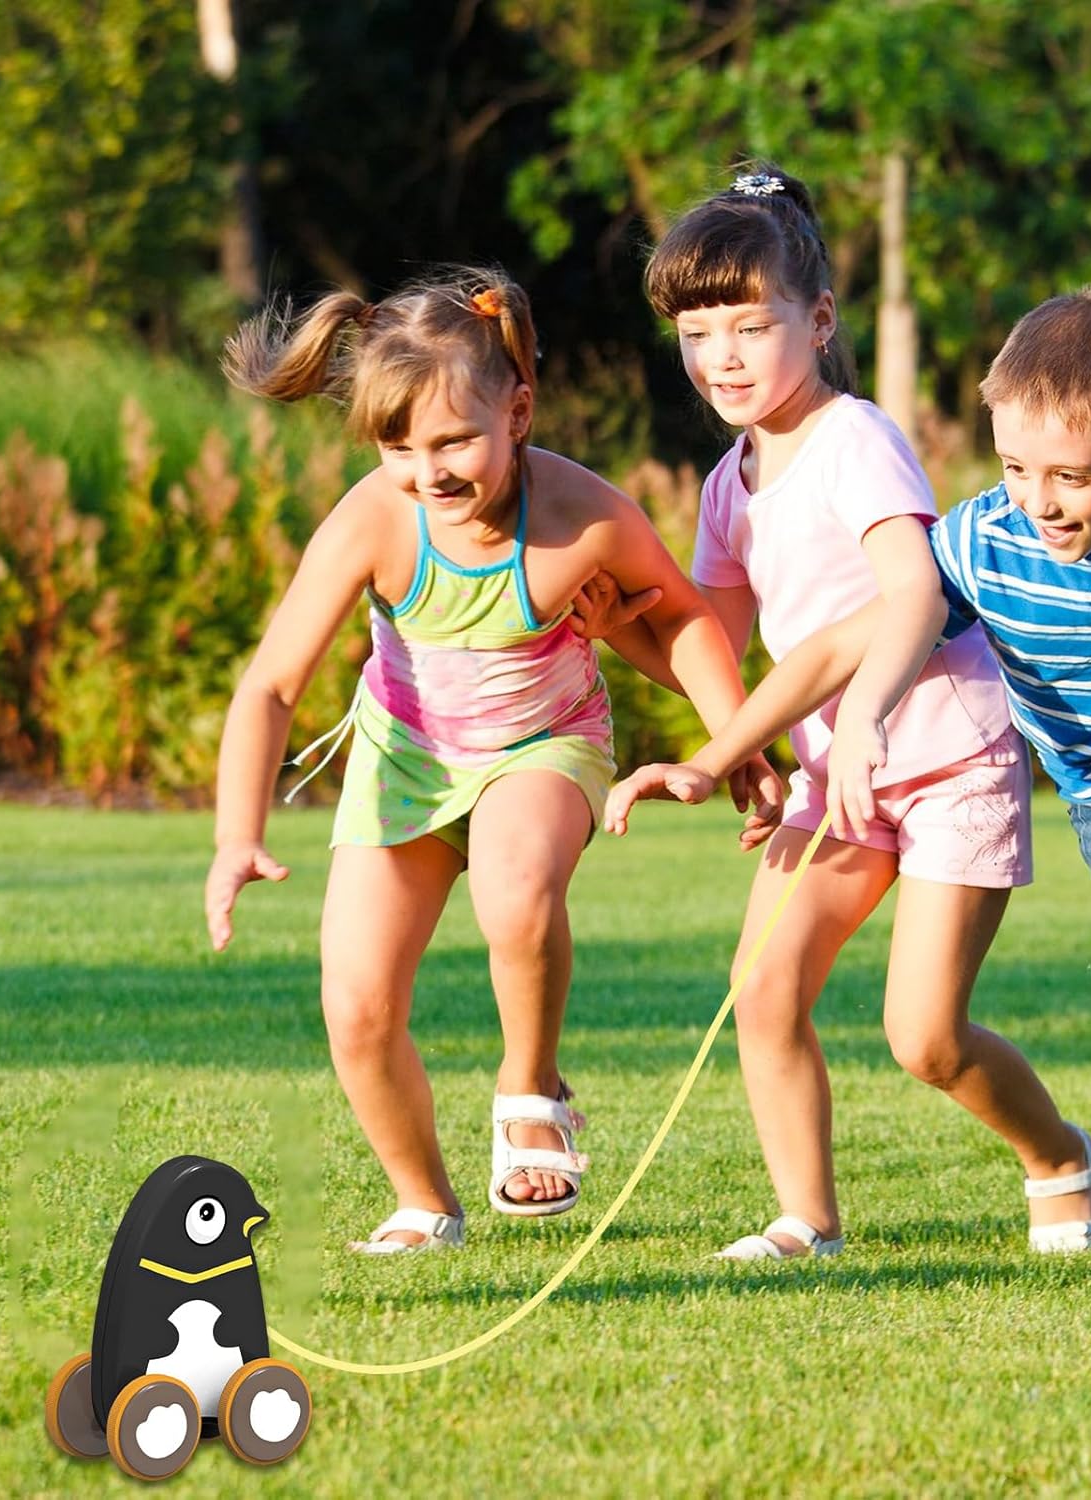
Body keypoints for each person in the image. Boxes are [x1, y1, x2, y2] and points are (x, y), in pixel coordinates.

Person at [609, 285, 1091, 1280]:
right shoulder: (988, 541)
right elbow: (839, 648)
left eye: (1073, 476)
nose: (1040, 502)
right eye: (1016, 468)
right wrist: (714, 755)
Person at [204, 267, 773, 1253]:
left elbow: (683, 619)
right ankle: (425, 1201)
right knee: (357, 1007)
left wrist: (738, 744)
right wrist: (234, 836)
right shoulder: (376, 521)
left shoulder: (581, 514)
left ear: (517, 411)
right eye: (399, 448)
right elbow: (270, 686)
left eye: (454, 441)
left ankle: (529, 1087)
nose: (429, 473)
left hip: (545, 746)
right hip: (407, 764)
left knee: (514, 893)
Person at [598, 167, 1091, 1262]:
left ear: (819, 321)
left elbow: (914, 594)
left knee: (924, 1038)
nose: (722, 356)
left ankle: (1060, 1157)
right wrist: (614, 634)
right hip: (838, 776)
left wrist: (864, 712)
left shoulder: (855, 439)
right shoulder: (727, 484)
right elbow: (712, 650)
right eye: (696, 333)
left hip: (949, 756)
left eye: (751, 326)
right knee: (762, 990)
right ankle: (806, 1220)